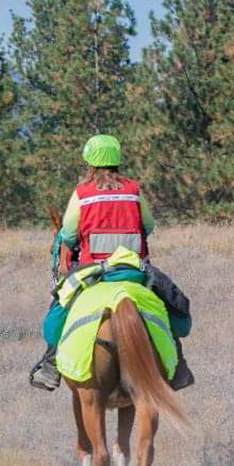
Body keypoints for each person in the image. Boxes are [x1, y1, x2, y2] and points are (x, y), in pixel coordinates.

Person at [29, 135, 194, 392]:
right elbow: (149, 226)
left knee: (61, 308)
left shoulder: (82, 194)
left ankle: (50, 367)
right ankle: (179, 367)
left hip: (92, 270)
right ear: (116, 160)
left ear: (90, 163)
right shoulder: (134, 190)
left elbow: (70, 233)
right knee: (169, 302)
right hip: (134, 268)